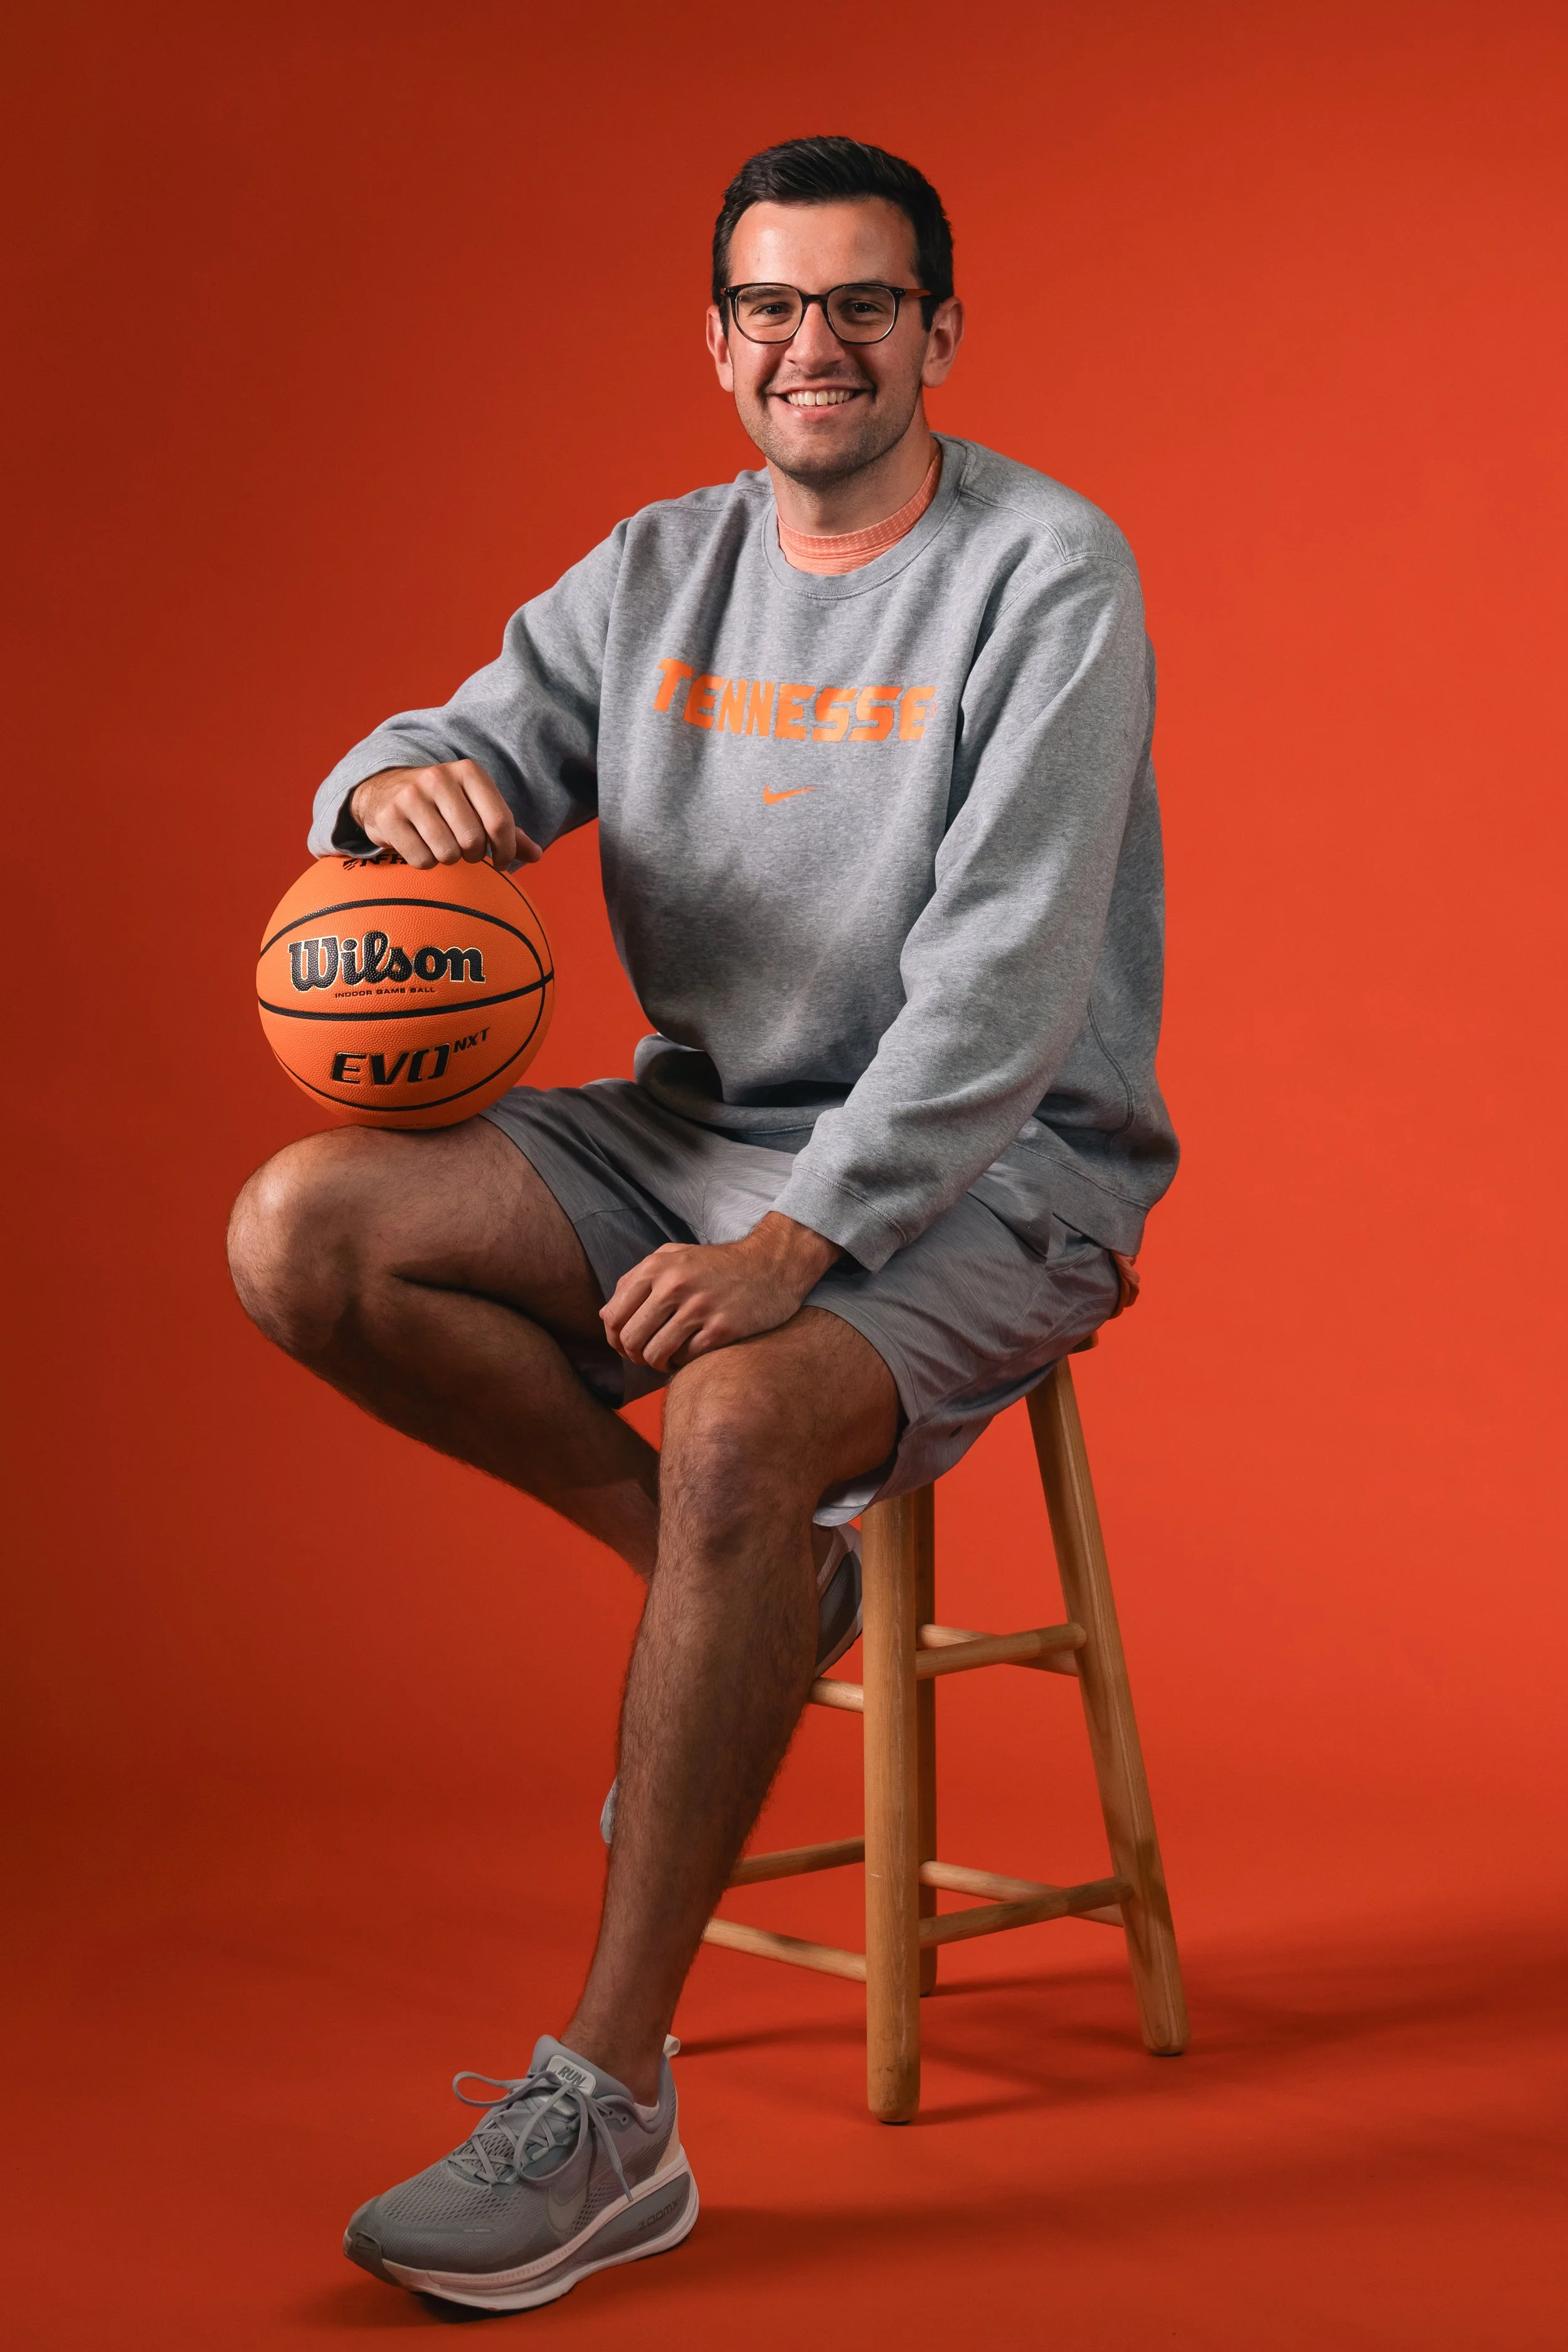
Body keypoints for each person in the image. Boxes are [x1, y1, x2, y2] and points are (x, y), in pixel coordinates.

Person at [227, 133, 1177, 2314]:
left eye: (860, 305)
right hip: (690, 1128)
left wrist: (807, 1245)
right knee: (305, 1232)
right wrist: (393, 793)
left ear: (940, 328)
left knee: (747, 1416)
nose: (810, 346)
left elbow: (1004, 988)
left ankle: (608, 2104)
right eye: (770, 307)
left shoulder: (1048, 574)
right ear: (718, 339)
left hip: (1003, 1162)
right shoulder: (655, 570)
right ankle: (743, 1604)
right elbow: (455, 737)